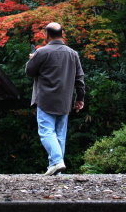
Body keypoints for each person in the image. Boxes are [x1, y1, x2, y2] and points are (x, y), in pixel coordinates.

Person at [25, 22, 85, 176]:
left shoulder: (41, 52)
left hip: (46, 98)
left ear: (47, 34)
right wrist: (80, 98)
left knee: (46, 132)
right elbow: (80, 78)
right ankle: (56, 169)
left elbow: (30, 72)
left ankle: (57, 161)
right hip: (65, 100)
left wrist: (32, 59)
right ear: (62, 34)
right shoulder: (73, 54)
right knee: (60, 135)